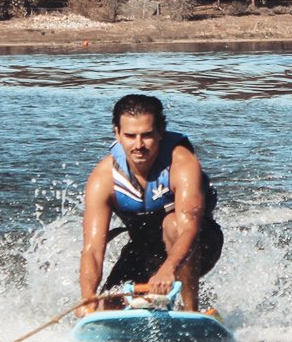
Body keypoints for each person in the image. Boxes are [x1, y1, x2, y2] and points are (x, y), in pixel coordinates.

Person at [78, 93, 221, 314]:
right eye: (130, 135)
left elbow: (189, 228)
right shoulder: (104, 178)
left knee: (172, 224)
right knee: (109, 307)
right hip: (144, 250)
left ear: (160, 131)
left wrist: (168, 269)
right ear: (117, 133)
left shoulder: (182, 164)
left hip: (198, 244)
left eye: (147, 135)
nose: (138, 145)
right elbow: (93, 250)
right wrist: (87, 299)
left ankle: (191, 310)